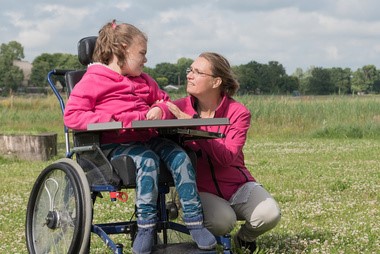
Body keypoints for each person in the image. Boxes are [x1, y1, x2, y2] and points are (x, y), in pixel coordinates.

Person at [63, 20, 216, 254]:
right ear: (123, 48)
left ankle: (195, 223)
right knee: (146, 160)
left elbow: (164, 101)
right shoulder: (93, 81)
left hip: (148, 138)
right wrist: (118, 118)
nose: (146, 59)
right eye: (142, 53)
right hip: (115, 145)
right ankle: (145, 227)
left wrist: (160, 110)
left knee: (180, 156)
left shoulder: (145, 80)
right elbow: (72, 116)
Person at [159, 52, 281, 253]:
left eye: (197, 72)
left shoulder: (238, 112)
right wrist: (159, 109)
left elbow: (226, 157)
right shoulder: (179, 107)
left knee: (269, 214)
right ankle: (208, 238)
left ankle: (244, 239)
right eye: (190, 70)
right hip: (199, 190)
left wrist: (195, 129)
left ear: (216, 81)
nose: (189, 75)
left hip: (237, 185)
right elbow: (160, 107)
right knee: (223, 221)